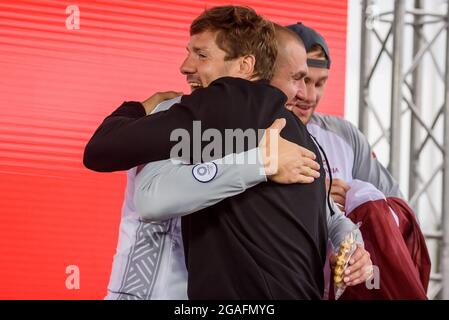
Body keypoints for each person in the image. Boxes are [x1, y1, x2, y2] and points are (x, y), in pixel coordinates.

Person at [84, 6, 330, 299]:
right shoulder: (299, 135)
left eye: (202, 55)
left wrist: (139, 107)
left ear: (244, 66)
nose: (185, 66)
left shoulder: (222, 105)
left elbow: (103, 154)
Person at [286, 22, 431, 299]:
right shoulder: (252, 130)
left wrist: (356, 200)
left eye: (320, 83)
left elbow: (398, 214)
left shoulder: (344, 135)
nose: (310, 96)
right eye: (303, 80)